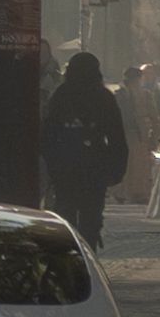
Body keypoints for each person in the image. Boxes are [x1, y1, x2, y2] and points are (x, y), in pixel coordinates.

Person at [38, 47, 127, 246]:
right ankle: (88, 251)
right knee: (91, 216)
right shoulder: (103, 97)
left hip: (66, 166)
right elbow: (116, 137)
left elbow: (48, 134)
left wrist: (52, 164)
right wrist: (116, 170)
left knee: (66, 214)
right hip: (94, 167)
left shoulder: (62, 95)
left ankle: (70, 254)